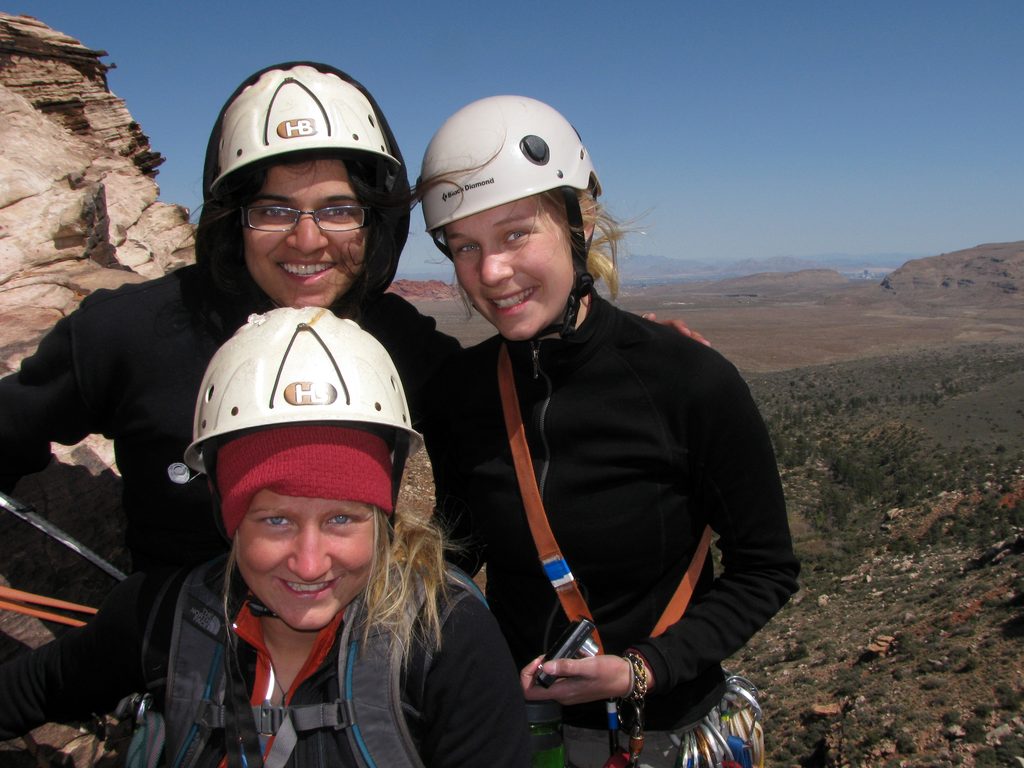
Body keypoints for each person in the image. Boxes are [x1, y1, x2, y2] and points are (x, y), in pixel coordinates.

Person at [417, 96, 800, 766]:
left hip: (665, 730)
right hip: (523, 735)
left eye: (514, 234)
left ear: (579, 221)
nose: (491, 273)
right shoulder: (457, 392)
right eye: (465, 247)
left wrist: (641, 670)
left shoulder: (688, 382)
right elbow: (458, 557)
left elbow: (765, 569)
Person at [0, 307, 531, 767]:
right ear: (227, 516)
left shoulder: (444, 640)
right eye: (275, 520)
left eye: (341, 519)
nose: (308, 563)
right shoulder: (164, 618)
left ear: (382, 515)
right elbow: (33, 689)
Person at [0, 61, 459, 571]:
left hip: (350, 646)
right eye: (274, 210)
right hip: (171, 642)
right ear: (232, 220)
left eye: (337, 209)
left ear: (375, 220)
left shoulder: (402, 341)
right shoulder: (128, 333)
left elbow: (498, 459)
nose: (307, 240)